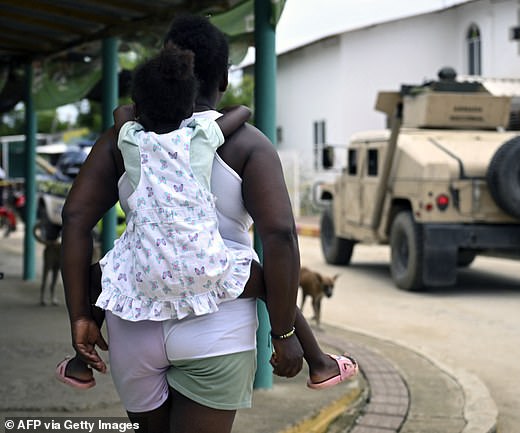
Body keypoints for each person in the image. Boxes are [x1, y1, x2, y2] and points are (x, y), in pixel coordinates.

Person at [61, 15, 355, 433]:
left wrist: (79, 317)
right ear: (223, 78)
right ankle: (319, 361)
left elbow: (74, 219)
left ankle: (77, 365)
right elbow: (280, 237)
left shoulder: (123, 139)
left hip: (134, 319)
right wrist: (284, 332)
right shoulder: (246, 142)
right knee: (255, 273)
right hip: (217, 322)